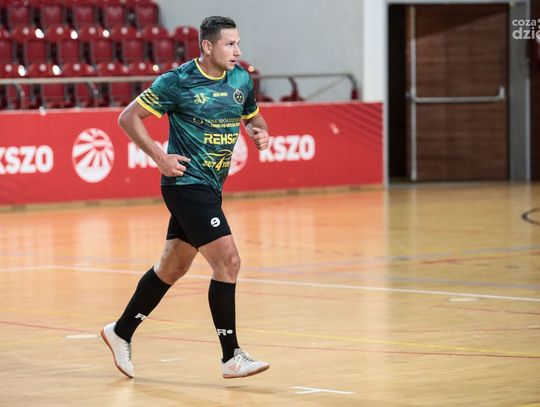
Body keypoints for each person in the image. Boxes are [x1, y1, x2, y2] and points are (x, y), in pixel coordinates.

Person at [100, 16, 270, 379]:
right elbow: (128, 118)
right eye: (229, 44)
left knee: (172, 266)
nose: (238, 51)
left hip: (211, 187)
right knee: (229, 262)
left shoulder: (240, 79)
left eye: (238, 43)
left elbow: (253, 118)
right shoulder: (178, 81)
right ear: (207, 46)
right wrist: (160, 157)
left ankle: (120, 331)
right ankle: (231, 356)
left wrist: (259, 132)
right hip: (186, 185)